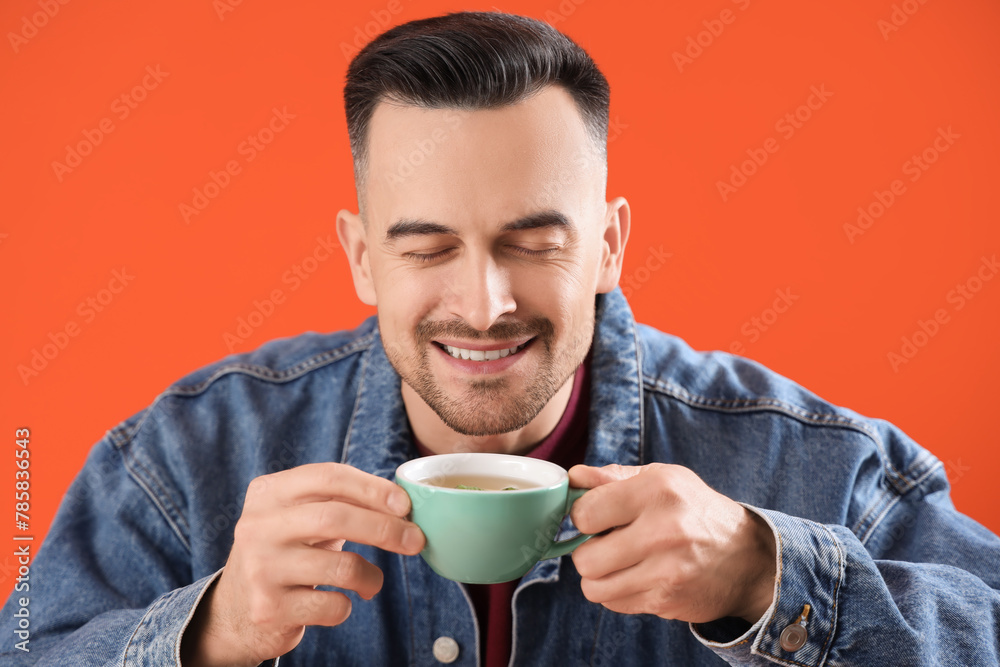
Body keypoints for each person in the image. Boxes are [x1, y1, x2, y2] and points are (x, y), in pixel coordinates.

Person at [4, 10, 999, 667]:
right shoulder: (186, 462)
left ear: (608, 244)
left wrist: (760, 576)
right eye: (427, 246)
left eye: (532, 242)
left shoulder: (817, 464)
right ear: (360, 258)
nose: (482, 304)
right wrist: (207, 632)